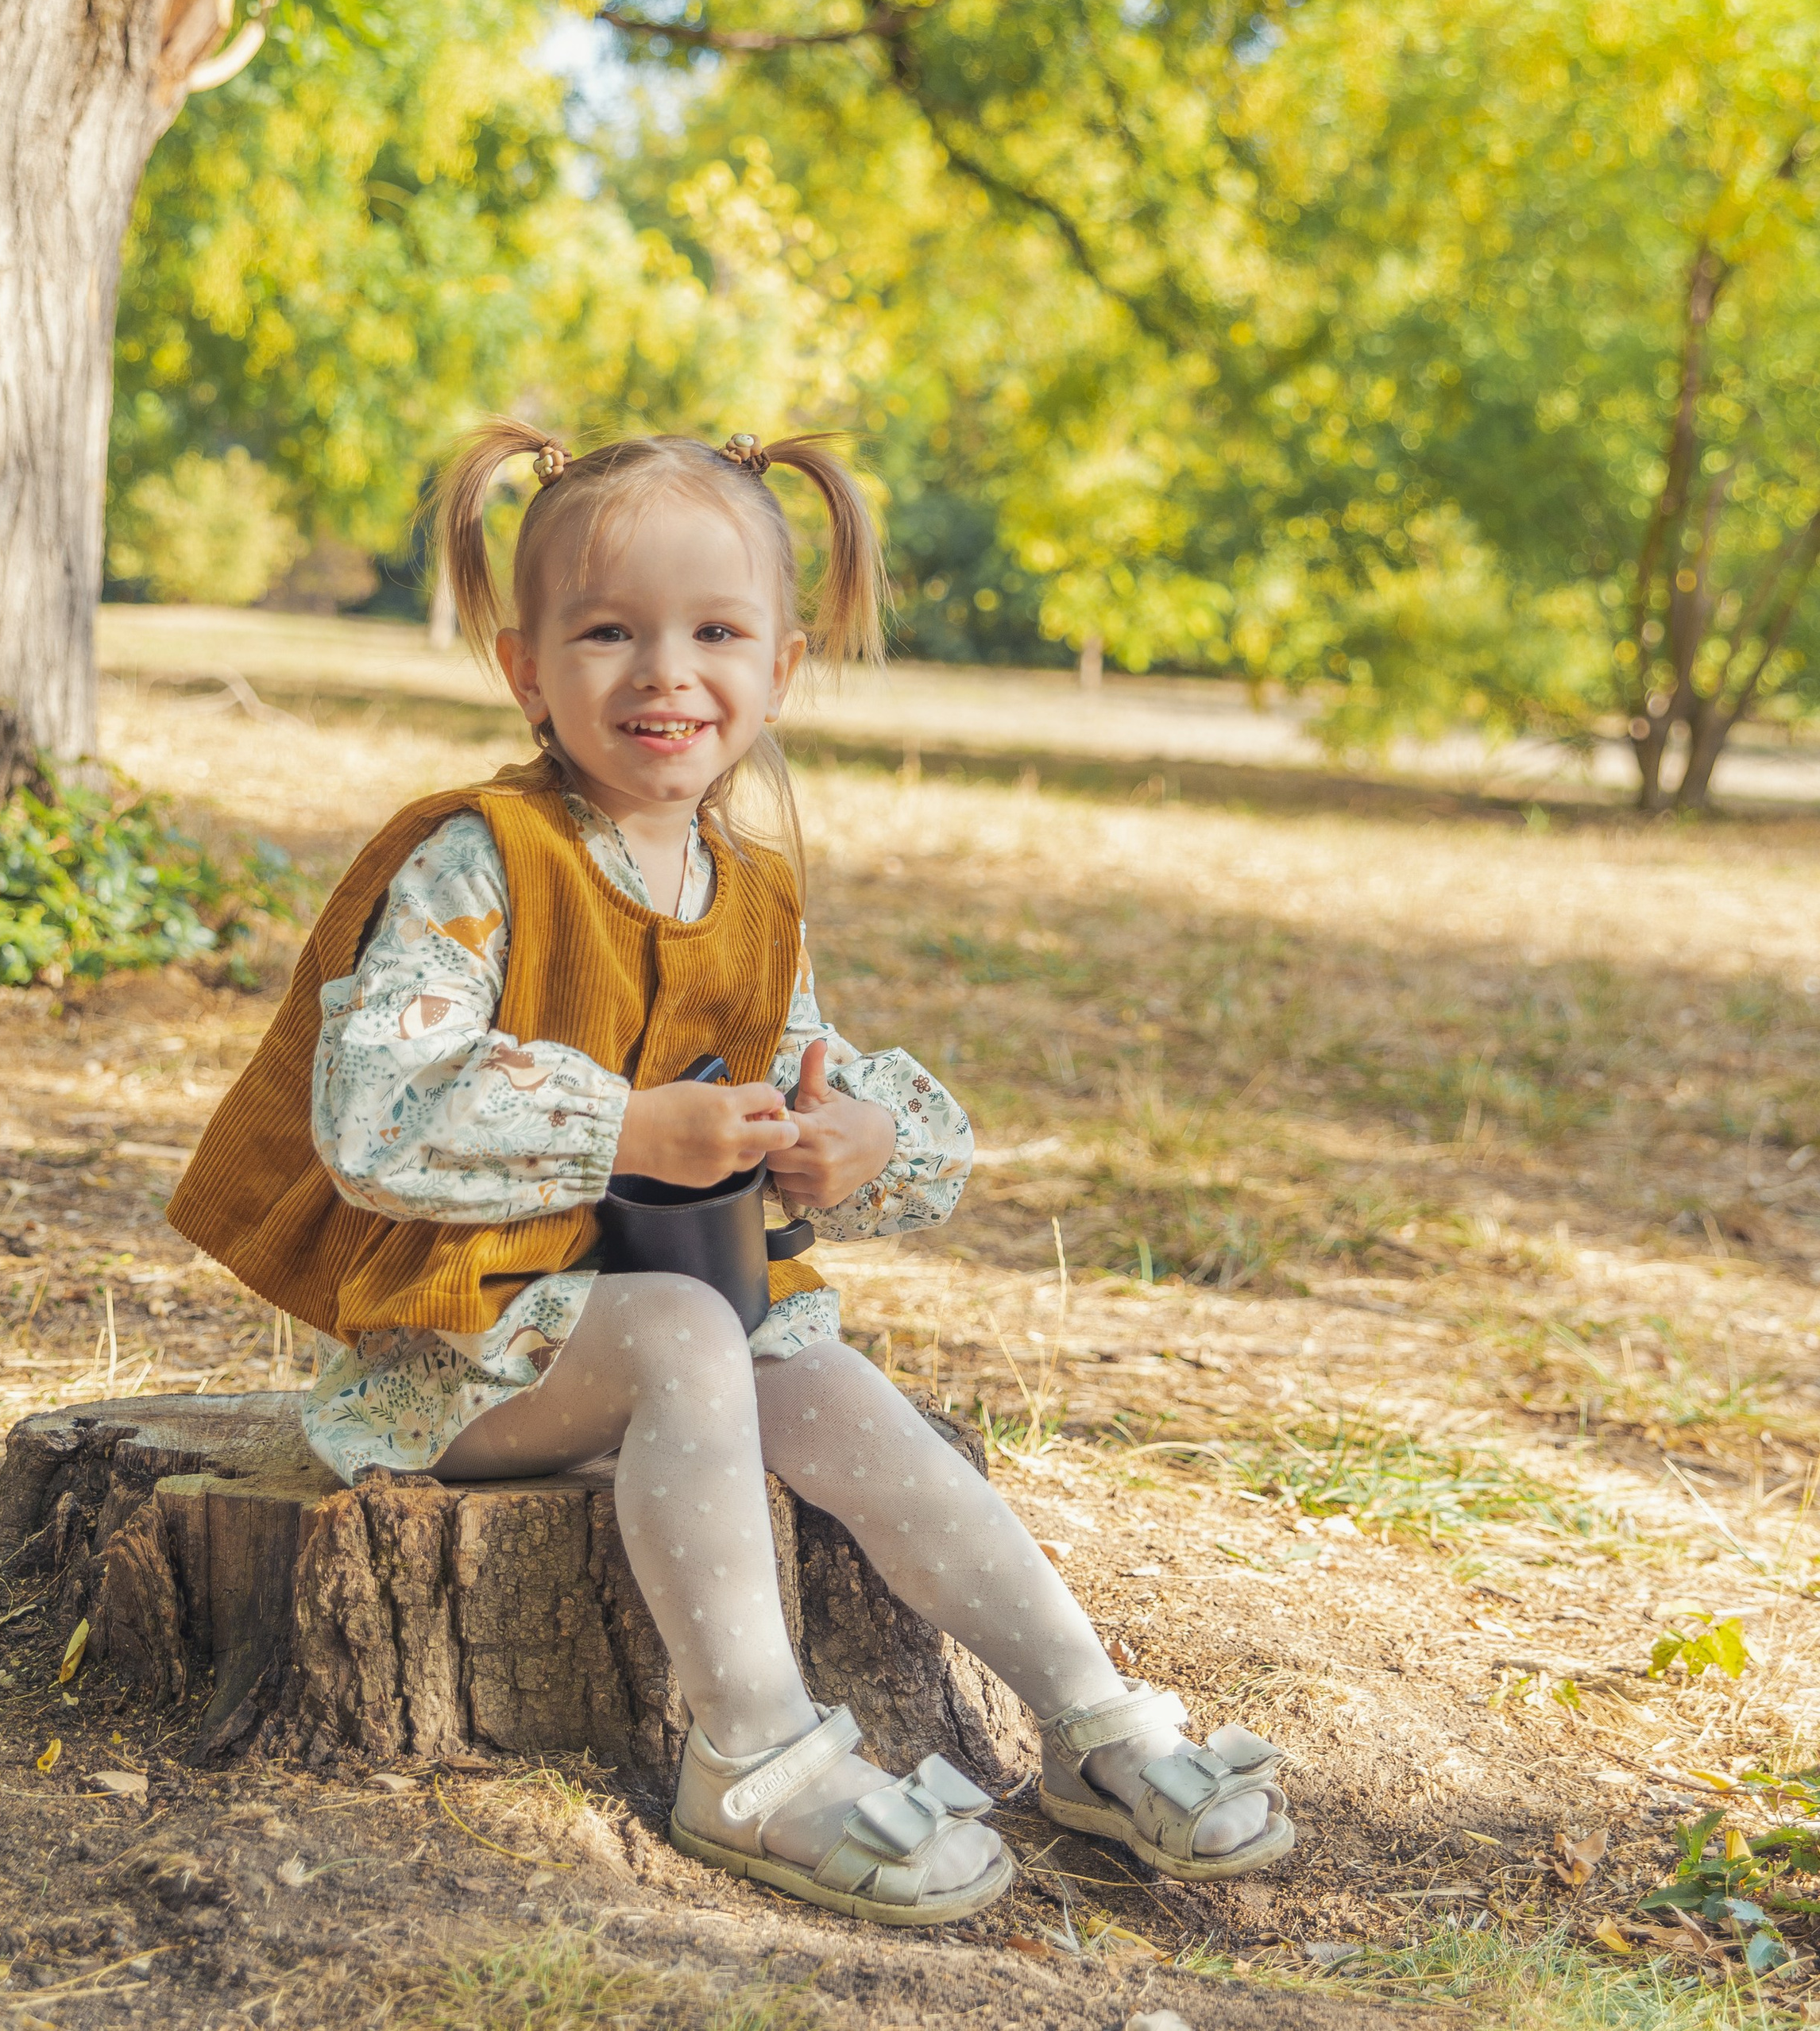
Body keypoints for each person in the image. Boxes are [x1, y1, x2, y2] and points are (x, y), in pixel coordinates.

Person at [167, 425, 1293, 1925]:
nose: (663, 674)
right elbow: (372, 1110)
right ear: (525, 667)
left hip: (656, 1339)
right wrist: (623, 1130)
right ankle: (750, 1753)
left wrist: (855, 1141)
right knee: (702, 1331)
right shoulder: (479, 859)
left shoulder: (749, 895)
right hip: (460, 1362)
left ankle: (1091, 1724)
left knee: (833, 1383)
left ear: (784, 667)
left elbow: (813, 1070)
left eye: (714, 633)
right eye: (609, 633)